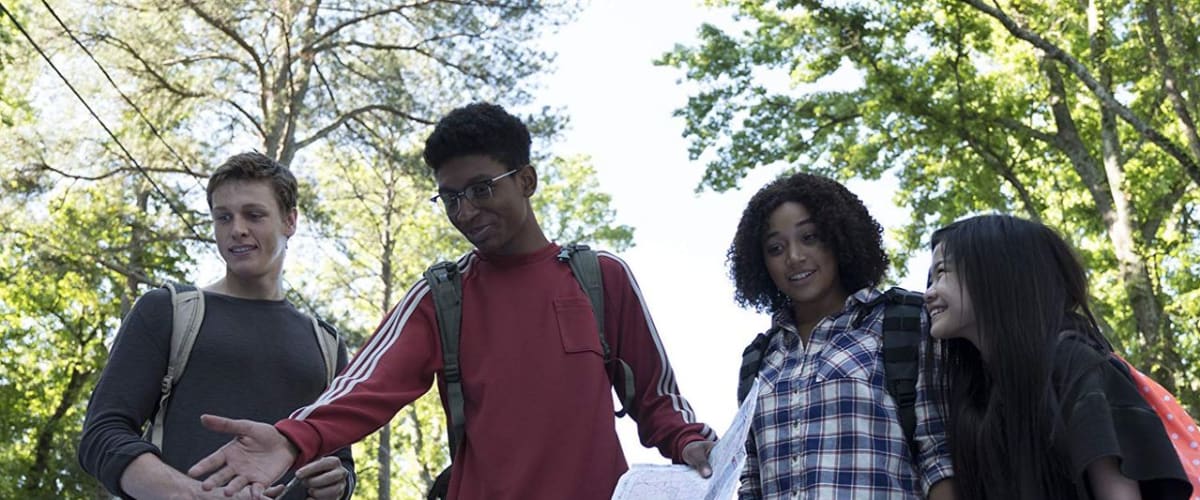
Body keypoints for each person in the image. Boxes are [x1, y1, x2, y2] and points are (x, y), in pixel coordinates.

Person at [187, 102, 717, 500]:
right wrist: (291, 438)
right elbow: (363, 387)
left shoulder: (600, 278)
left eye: (482, 188)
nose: (466, 211)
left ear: (526, 180)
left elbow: (657, 399)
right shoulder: (441, 298)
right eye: (451, 197)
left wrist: (692, 443)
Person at [77, 152, 355, 500]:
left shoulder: (326, 344)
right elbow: (102, 436)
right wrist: (195, 495)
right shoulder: (167, 311)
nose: (236, 229)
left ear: (290, 221)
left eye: (254, 215)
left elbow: (341, 461)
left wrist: (339, 482)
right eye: (223, 217)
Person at [924, 214, 1191, 500]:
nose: (928, 293)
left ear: (998, 273)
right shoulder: (979, 394)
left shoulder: (1073, 363)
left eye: (941, 273)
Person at [729, 172, 955, 499]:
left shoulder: (902, 322)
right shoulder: (759, 358)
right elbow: (752, 481)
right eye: (776, 248)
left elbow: (940, 456)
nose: (794, 257)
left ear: (839, 237)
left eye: (810, 237)